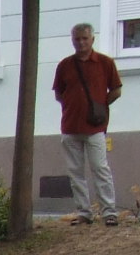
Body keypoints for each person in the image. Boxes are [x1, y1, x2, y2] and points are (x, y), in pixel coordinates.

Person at [52, 23, 122, 224]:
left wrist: (99, 106)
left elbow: (116, 90)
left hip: (95, 127)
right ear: (72, 40)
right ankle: (84, 212)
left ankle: (109, 212)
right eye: (77, 39)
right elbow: (59, 93)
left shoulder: (105, 63)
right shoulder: (65, 65)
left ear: (92, 39)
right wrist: (72, 106)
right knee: (75, 172)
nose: (81, 43)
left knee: (100, 168)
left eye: (85, 38)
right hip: (70, 126)